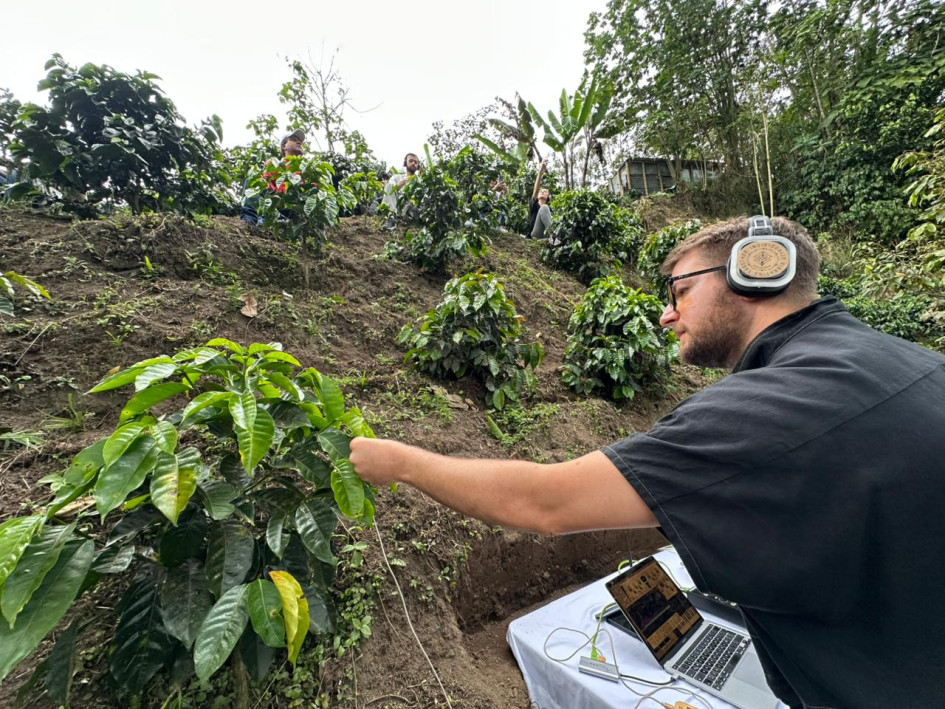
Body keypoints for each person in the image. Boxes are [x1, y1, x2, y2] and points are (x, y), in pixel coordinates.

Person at [350, 216, 945, 708]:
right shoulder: (908, 359)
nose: (666, 315)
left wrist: (400, 462)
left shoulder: (767, 409)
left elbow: (544, 503)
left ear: (755, 271)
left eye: (680, 291)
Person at [240, 129, 305, 225]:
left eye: (300, 141)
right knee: (252, 181)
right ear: (284, 146)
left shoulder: (305, 169)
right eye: (293, 140)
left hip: (293, 209)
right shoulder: (274, 164)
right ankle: (250, 221)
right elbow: (266, 186)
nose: (299, 142)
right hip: (274, 204)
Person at [381, 152, 421, 221]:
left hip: (409, 207)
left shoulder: (419, 181)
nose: (413, 163)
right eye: (410, 161)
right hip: (395, 204)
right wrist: (401, 183)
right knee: (389, 186)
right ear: (405, 163)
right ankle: (392, 215)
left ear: (418, 166)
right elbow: (389, 189)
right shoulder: (397, 177)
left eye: (415, 162)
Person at [528, 159, 551, 239]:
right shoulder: (534, 205)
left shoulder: (550, 210)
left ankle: (553, 237)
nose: (542, 192)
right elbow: (535, 190)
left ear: (548, 197)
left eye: (545, 192)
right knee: (544, 207)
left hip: (546, 235)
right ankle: (554, 237)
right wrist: (541, 171)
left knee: (545, 208)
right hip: (536, 235)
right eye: (541, 191)